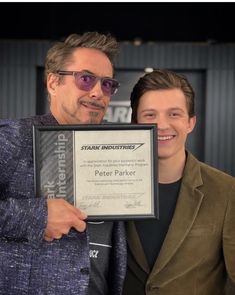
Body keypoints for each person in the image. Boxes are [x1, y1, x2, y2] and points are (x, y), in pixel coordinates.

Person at [0, 32, 126, 295]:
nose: (97, 92)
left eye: (107, 84)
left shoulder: (118, 147)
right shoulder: (11, 138)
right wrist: (38, 216)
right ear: (53, 82)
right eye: (85, 78)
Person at [123, 69, 235, 295]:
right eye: (150, 115)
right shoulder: (110, 185)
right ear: (135, 122)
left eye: (174, 114)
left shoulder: (227, 191)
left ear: (190, 122)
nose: (161, 125)